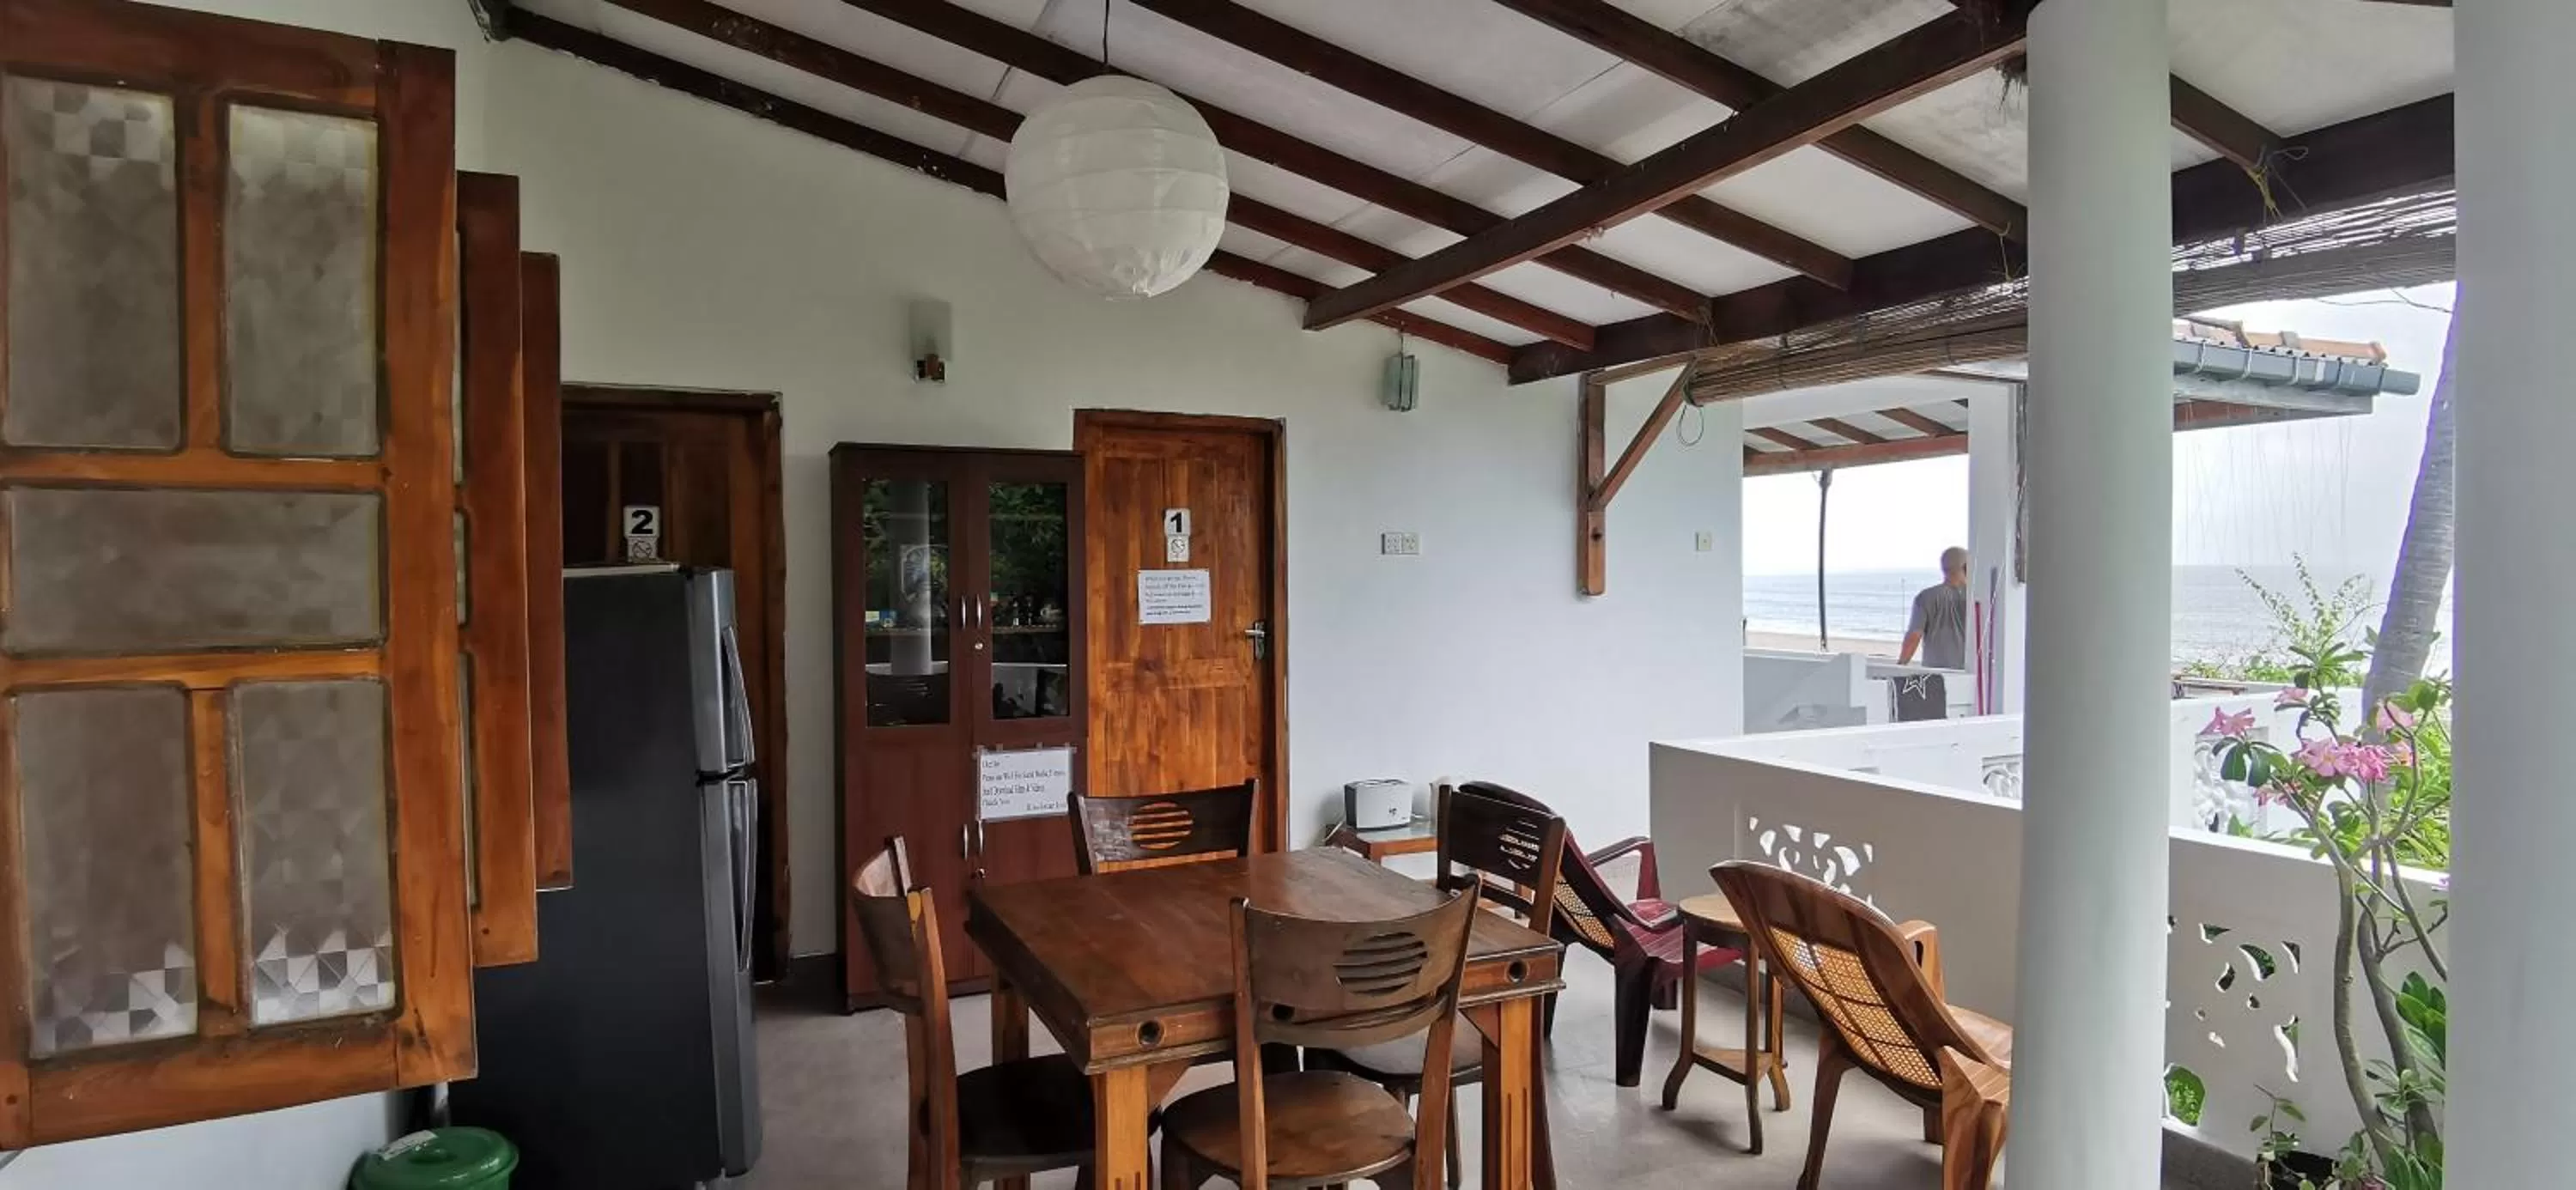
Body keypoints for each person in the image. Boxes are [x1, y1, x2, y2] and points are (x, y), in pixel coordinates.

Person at [1899, 546, 1971, 670]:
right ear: (1966, 567)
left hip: (1934, 675)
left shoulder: (1925, 597)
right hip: (1969, 674)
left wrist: (1900, 666)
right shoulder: (1977, 598)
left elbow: (1914, 636)